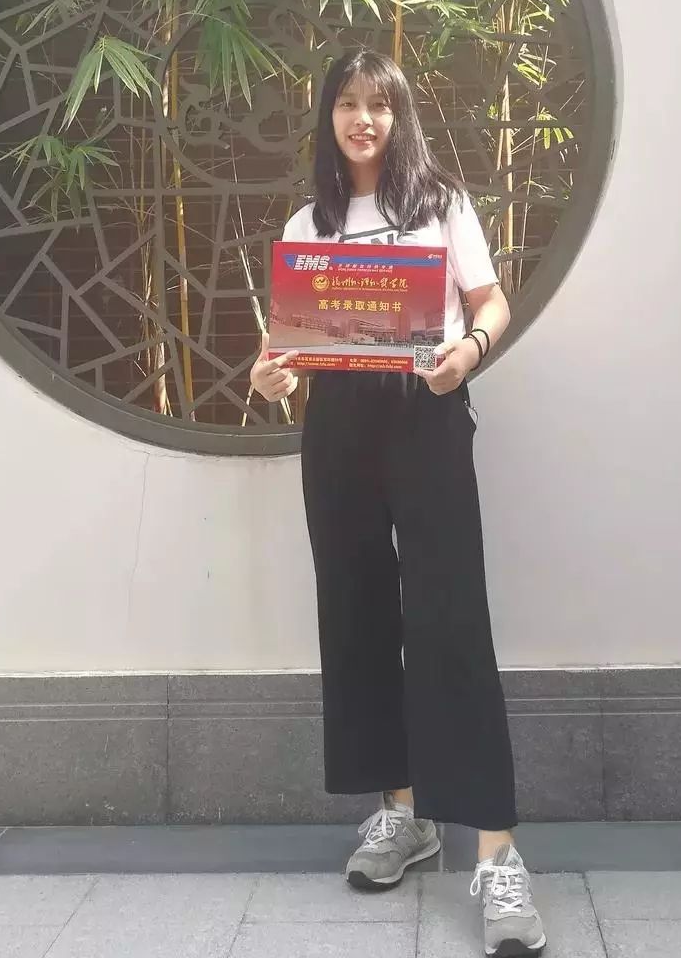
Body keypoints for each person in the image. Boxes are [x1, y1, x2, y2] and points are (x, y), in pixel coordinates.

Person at [250, 48, 546, 958]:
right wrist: (272, 376)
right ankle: (403, 813)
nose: (362, 120)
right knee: (358, 613)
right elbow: (290, 350)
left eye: (377, 104)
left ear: (399, 114)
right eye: (346, 103)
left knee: (452, 617)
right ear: (329, 116)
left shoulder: (440, 203)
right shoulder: (310, 220)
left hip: (427, 413)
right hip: (337, 426)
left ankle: (496, 853)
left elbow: (489, 302)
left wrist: (471, 353)